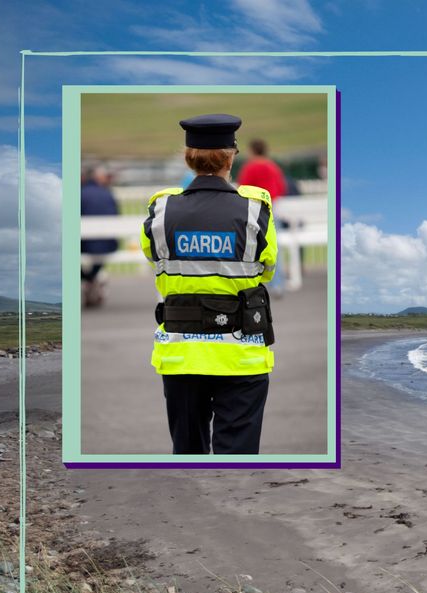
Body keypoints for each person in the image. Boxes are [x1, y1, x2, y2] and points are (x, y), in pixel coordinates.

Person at [140, 113, 277, 455]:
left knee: (187, 453)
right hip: (242, 354)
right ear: (231, 156)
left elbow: (151, 255)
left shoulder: (162, 208)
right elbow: (267, 269)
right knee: (239, 457)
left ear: (188, 157)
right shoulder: (254, 208)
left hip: (181, 355)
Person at [236, 139, 291, 294]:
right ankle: (278, 284)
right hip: (271, 211)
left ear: (252, 150)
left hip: (252, 213)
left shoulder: (250, 167)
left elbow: (242, 188)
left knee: (249, 249)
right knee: (273, 249)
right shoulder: (273, 167)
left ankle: (252, 285)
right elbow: (281, 188)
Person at [80, 165, 119, 308]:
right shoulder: (107, 194)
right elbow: (116, 217)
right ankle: (91, 280)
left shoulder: (80, 193)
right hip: (106, 244)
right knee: (100, 252)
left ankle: (87, 280)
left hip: (84, 245)